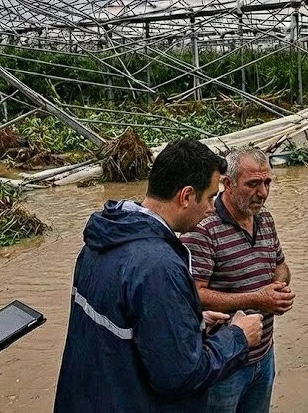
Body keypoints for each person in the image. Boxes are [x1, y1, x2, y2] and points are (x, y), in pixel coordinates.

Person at [54, 138, 264, 412]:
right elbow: (181, 376)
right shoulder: (158, 265)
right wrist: (237, 336)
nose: (212, 208)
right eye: (211, 196)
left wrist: (189, 320)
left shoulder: (102, 238)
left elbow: (124, 329)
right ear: (186, 196)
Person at [180, 147, 294, 413]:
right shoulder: (202, 228)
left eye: (267, 183)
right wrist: (257, 299)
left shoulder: (264, 218)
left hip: (264, 355)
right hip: (222, 364)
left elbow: (280, 264)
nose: (263, 193)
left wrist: (279, 286)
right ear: (227, 184)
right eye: (253, 184)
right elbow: (192, 294)